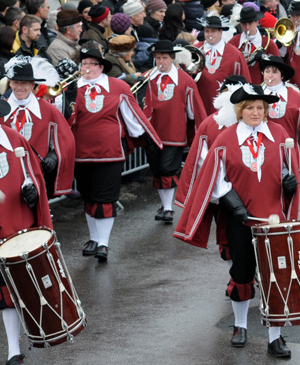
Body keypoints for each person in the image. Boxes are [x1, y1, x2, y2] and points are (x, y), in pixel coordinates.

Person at [175, 83, 299, 357]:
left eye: (260, 108)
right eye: (249, 108)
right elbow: (214, 178)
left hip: (273, 222)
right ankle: (240, 326)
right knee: (241, 274)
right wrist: (234, 203)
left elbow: (287, 168)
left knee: (275, 278)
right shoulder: (226, 138)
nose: (255, 112)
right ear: (240, 111)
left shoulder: (279, 135)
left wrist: (290, 184)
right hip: (240, 219)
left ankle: (275, 337)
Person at [68, 47, 162, 263]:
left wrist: (145, 137)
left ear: (101, 67)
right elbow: (64, 117)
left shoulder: (118, 86)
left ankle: (103, 243)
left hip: (110, 152)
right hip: (81, 153)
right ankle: (93, 239)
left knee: (105, 198)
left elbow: (132, 114)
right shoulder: (73, 88)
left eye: (92, 64)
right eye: (84, 63)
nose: (87, 68)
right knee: (88, 197)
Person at [0, 98, 54, 365]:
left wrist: (31, 192)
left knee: (8, 293)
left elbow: (32, 176)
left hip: (14, 227)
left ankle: (13, 353)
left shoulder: (14, 139)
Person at [142, 40, 206, 222]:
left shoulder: (184, 79)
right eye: (158, 58)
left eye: (164, 58)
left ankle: (169, 208)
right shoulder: (149, 78)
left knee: (167, 169)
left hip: (174, 132)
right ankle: (165, 205)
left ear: (172, 59)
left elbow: (194, 110)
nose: (161, 62)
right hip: (153, 132)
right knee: (157, 170)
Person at [1, 57, 75, 197]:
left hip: (36, 176)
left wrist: (53, 157)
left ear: (32, 85)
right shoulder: (2, 109)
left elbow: (66, 140)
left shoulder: (47, 109)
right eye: (15, 82)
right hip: (6, 176)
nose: (19, 87)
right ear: (10, 83)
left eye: (24, 83)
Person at [197, 15, 249, 114]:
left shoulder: (235, 54)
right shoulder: (195, 50)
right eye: (207, 31)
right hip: (201, 104)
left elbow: (245, 82)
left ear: (221, 32)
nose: (209, 34)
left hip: (227, 108)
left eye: (213, 31)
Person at [229, 7, 279, 85]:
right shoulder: (234, 42)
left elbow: (278, 67)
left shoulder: (268, 43)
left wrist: (264, 60)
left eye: (250, 23)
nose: (247, 27)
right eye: (244, 24)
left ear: (257, 22)